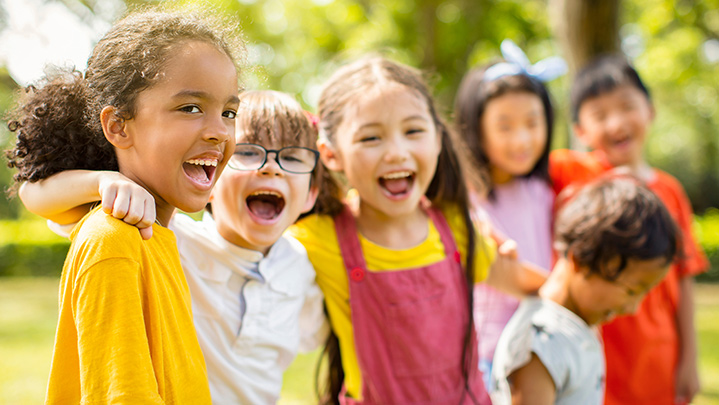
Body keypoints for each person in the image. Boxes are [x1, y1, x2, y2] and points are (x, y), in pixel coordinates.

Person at [17, 90, 329, 404]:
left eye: (291, 158)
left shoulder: (301, 265)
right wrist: (102, 181)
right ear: (208, 180)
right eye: (247, 152)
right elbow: (33, 196)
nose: (271, 168)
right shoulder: (167, 237)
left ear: (310, 194)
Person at [3, 9, 242, 403]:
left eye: (229, 112)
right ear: (118, 126)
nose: (219, 131)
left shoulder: (158, 233)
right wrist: (102, 180)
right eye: (191, 108)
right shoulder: (113, 241)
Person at [288, 56, 546, 405]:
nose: (396, 152)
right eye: (371, 138)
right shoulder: (317, 239)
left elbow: (524, 283)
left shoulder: (456, 226)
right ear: (331, 155)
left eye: (413, 131)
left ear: (438, 139)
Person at [549, 55, 709, 404]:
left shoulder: (671, 192)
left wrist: (690, 360)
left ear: (650, 110)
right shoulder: (574, 173)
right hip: (592, 354)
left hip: (657, 355)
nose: (616, 122)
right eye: (599, 115)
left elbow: (683, 279)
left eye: (626, 106)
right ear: (580, 130)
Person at [491, 176, 680, 405]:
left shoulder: (577, 324)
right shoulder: (540, 345)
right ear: (580, 260)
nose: (633, 308)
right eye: (631, 291)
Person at [454, 39, 565, 385]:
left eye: (533, 123)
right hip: (490, 358)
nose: (521, 140)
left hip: (544, 350)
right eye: (504, 126)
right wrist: (574, 300)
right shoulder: (465, 200)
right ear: (476, 127)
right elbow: (506, 275)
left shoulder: (543, 191)